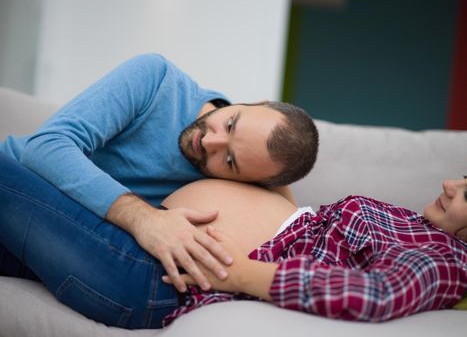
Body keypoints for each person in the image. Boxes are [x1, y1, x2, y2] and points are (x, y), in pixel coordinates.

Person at [0, 155, 466, 328]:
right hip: (155, 241)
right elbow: (311, 241)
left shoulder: (448, 259)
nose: (449, 184)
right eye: (462, 178)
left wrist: (232, 270)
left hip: (162, 273)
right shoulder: (415, 226)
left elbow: (376, 294)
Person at [0, 53, 319, 293]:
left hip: (57, 245)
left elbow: (293, 218)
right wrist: (144, 218)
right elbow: (46, 147)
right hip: (16, 188)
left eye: (230, 161)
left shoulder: (238, 179)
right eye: (231, 123)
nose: (210, 141)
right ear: (254, 102)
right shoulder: (156, 79)